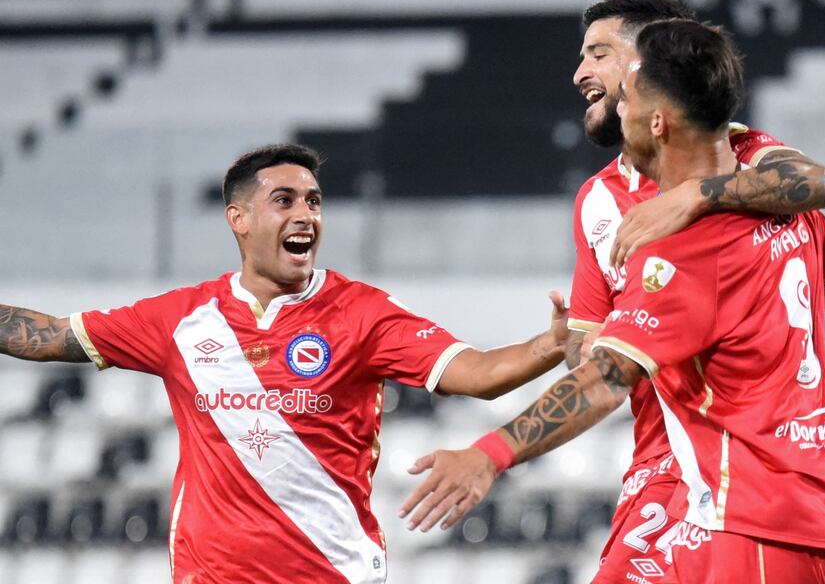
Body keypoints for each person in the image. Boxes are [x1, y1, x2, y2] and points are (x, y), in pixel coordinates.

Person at [400, 20, 825, 583]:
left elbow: (606, 378)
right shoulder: (787, 210)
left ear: (657, 121)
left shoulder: (685, 251)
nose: (614, 107)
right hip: (799, 513)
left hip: (743, 519)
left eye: (625, 96)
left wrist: (489, 453)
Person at [0, 144, 571, 584]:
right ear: (238, 219)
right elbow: (50, 337)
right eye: (285, 201)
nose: (306, 215)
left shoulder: (361, 312)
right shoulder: (181, 319)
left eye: (314, 201)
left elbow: (478, 374)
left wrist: (548, 347)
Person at [571, 0, 825, 582]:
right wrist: (580, 346)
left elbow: (818, 184)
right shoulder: (596, 201)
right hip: (657, 467)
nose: (580, 73)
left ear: (647, 66)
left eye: (599, 54)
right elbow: (588, 352)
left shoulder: (747, 154)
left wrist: (695, 195)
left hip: (739, 476)